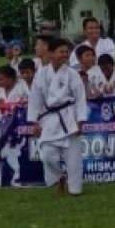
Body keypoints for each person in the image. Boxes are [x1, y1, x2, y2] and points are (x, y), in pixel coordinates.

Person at [27, 38, 89, 196]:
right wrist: (34, 122)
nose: (65, 55)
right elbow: (35, 99)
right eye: (61, 52)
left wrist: (80, 120)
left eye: (67, 52)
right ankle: (59, 177)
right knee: (47, 154)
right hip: (49, 119)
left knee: (73, 158)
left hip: (69, 118)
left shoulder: (72, 74)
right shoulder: (41, 74)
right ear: (51, 53)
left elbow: (80, 98)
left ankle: (75, 189)